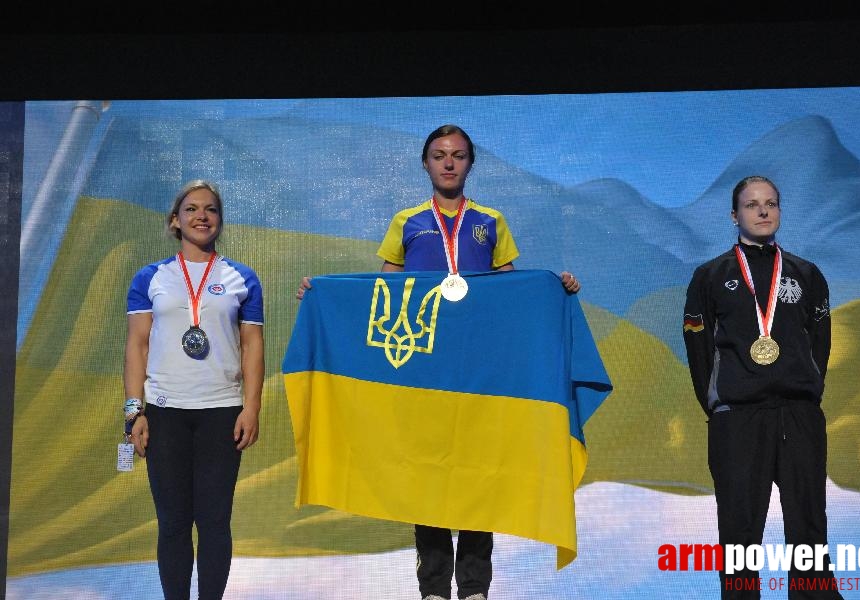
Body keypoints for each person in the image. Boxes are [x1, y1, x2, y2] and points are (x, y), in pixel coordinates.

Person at [297, 124, 579, 600]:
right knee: (425, 473)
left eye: (459, 155)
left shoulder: (490, 220)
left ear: (470, 163)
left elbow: (511, 291)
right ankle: (432, 588)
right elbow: (381, 293)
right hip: (424, 369)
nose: (449, 163)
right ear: (425, 163)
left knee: (477, 472)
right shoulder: (407, 220)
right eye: (439, 155)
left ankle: (474, 586)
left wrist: (555, 289)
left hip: (478, 368)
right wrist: (323, 295)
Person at [682, 175, 842, 599]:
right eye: (752, 205)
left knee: (809, 527)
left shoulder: (807, 274)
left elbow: (819, 345)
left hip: (799, 414)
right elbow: (698, 349)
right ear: (735, 215)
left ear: (780, 211)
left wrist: (803, 389)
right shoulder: (710, 276)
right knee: (739, 530)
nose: (763, 210)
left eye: (771, 203)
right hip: (738, 418)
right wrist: (721, 403)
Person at [124, 179, 264, 600]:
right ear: (175, 221)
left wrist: (251, 407)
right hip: (164, 413)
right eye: (191, 209)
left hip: (222, 412)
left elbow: (252, 345)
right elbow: (137, 345)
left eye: (211, 209)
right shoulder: (150, 277)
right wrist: (134, 412)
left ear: (219, 221)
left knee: (215, 521)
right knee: (172, 523)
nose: (201, 216)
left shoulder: (241, 277)